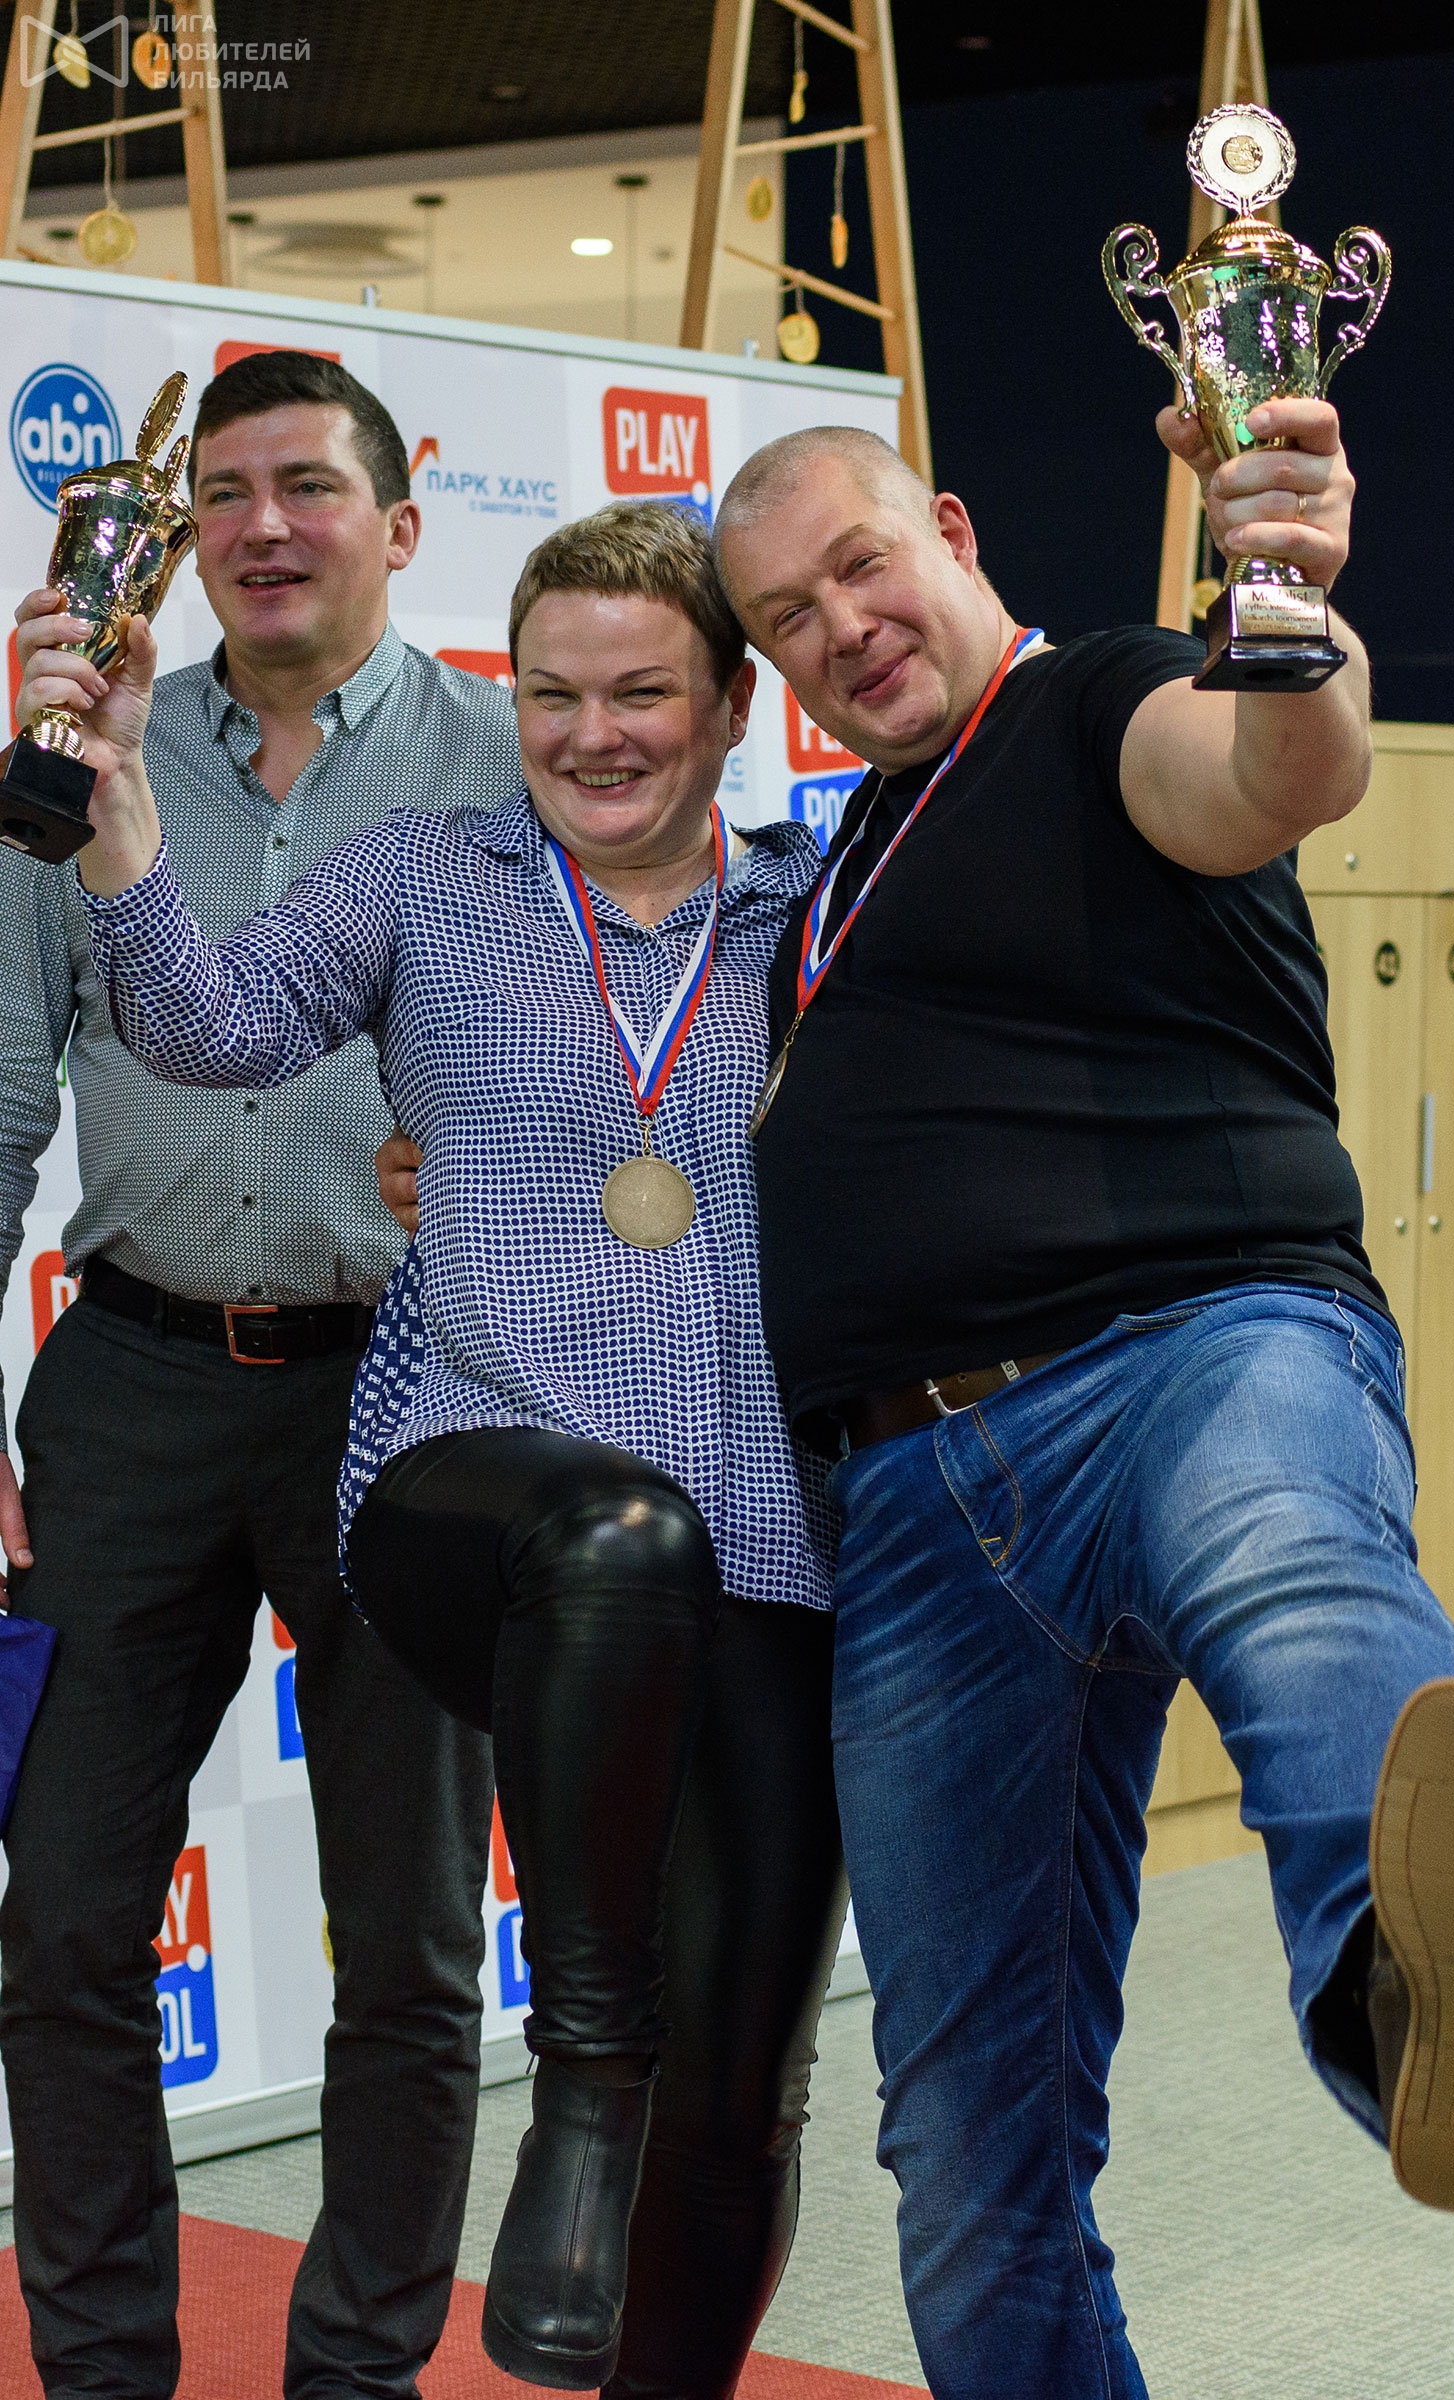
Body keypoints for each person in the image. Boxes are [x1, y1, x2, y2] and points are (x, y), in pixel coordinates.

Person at [711, 408, 1454, 2399]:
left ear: (949, 530)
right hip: (913, 1509)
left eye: (858, 566)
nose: (837, 629)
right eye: (784, 620)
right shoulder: (838, 868)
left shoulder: (1100, 695)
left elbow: (1278, 768)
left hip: (1188, 1351)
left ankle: (1412, 1995)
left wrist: (1279, 593)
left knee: (1297, 1583)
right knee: (966, 2148)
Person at [16, 497, 848, 2397]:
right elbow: (209, 1026)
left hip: (759, 1522)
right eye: (551, 694)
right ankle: (584, 2070)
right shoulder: (429, 874)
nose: (592, 735)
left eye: (642, 694)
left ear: (735, 707)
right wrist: (118, 793)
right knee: (612, 1539)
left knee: (750, 2076)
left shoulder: (812, 915)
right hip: (472, 1474)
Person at [0, 348, 511, 2400]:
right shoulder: (71, 754)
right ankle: (103, 2375)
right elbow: (0, 1092)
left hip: (412, 1397)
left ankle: (355, 2379)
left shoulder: (507, 763)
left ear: (401, 523)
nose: (262, 525)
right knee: (63, 1929)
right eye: (223, 493)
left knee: (410, 1946)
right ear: (178, 533)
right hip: (128, 1387)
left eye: (309, 484)